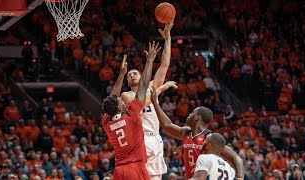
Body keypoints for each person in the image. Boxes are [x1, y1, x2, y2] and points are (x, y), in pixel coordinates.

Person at [112, 20, 175, 180]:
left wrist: (167, 39)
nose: (131, 75)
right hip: (140, 139)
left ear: (142, 77)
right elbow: (141, 104)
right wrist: (160, 89)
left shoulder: (151, 86)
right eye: (129, 75)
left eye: (134, 73)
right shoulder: (127, 96)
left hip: (156, 138)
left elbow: (164, 65)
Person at [149, 86, 244, 179]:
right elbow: (167, 125)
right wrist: (155, 103)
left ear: (197, 117)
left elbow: (237, 159)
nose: (189, 114)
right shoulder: (186, 132)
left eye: (192, 113)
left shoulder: (210, 139)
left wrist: (239, 177)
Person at [102, 41, 161, 180]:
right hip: (135, 168)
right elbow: (144, 85)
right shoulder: (132, 115)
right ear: (120, 107)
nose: (123, 101)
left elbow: (112, 98)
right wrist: (150, 61)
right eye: (121, 102)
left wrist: (122, 75)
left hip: (119, 171)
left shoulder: (107, 123)